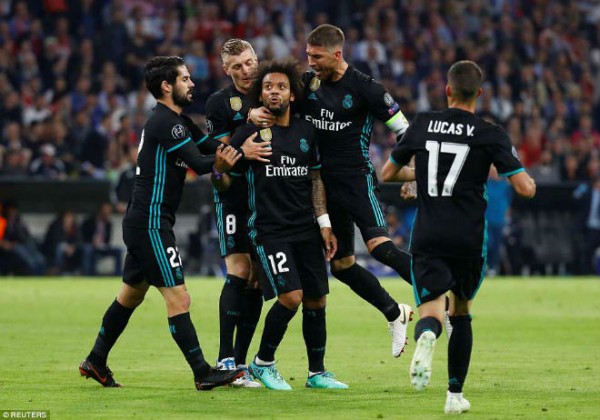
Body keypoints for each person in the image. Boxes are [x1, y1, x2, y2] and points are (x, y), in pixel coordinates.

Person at [79, 56, 244, 391]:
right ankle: (202, 372)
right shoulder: (166, 123)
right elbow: (201, 163)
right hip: (151, 223)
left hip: (145, 220)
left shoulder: (177, 121)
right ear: (167, 86)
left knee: (129, 297)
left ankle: (95, 360)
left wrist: (243, 149)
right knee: (179, 298)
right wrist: (225, 162)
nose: (192, 83)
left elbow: (211, 146)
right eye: (185, 79)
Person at [382, 60, 536, 414]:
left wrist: (421, 176)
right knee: (462, 311)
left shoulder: (422, 123)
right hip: (468, 238)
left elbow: (388, 173)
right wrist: (527, 180)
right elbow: (525, 188)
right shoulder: (490, 133)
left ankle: (426, 335)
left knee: (433, 310)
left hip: (429, 234)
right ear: (479, 94)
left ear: (447, 90)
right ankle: (454, 396)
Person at [213, 59, 348, 390]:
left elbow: (315, 179)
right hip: (269, 230)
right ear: (261, 95)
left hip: (306, 228)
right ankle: (263, 363)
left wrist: (324, 222)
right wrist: (220, 167)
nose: (274, 92)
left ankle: (317, 373)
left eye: (281, 87)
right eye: (268, 87)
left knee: (316, 299)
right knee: (291, 296)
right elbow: (222, 181)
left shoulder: (306, 132)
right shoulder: (247, 134)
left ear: (292, 95)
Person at [295, 24, 414, 357]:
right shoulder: (307, 84)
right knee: (342, 265)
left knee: (380, 248)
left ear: (337, 54)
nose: (311, 62)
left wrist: (411, 174)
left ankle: (438, 292)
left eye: (317, 57)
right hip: (320, 186)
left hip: (356, 180)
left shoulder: (366, 88)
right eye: (308, 55)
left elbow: (404, 131)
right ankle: (395, 313)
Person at [200, 39, 272, 387]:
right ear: (225, 70)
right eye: (237, 66)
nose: (246, 71)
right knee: (239, 269)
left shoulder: (272, 90)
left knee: (257, 278)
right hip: (233, 195)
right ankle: (224, 358)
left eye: (249, 62)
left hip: (267, 198)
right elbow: (221, 157)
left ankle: (240, 365)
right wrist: (247, 122)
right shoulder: (219, 103)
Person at [80, 202, 123, 276]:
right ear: (100, 210)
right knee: (88, 249)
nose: (107, 213)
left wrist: (102, 243)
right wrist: (93, 241)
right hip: (91, 245)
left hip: (103, 246)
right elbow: (84, 236)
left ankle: (117, 274)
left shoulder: (108, 224)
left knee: (118, 251)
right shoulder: (90, 221)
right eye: (105, 210)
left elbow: (108, 239)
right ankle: (89, 274)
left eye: (109, 211)